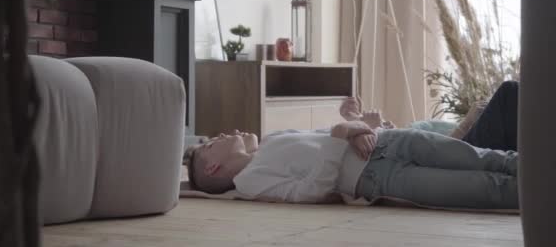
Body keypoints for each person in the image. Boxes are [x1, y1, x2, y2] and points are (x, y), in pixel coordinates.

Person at [185, 122, 518, 209]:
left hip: (389, 140)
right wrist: (340, 136)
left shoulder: (273, 138)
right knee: (487, 188)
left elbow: (330, 133)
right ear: (213, 169)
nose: (224, 134)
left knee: (488, 157)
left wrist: (355, 129)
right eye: (212, 144)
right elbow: (310, 192)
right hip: (382, 178)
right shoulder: (250, 182)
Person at [340, 81, 520, 151]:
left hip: (464, 143)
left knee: (513, 92)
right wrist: (469, 120)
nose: (388, 123)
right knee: (510, 91)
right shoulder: (384, 144)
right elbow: (437, 150)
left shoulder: (399, 136)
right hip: (461, 149)